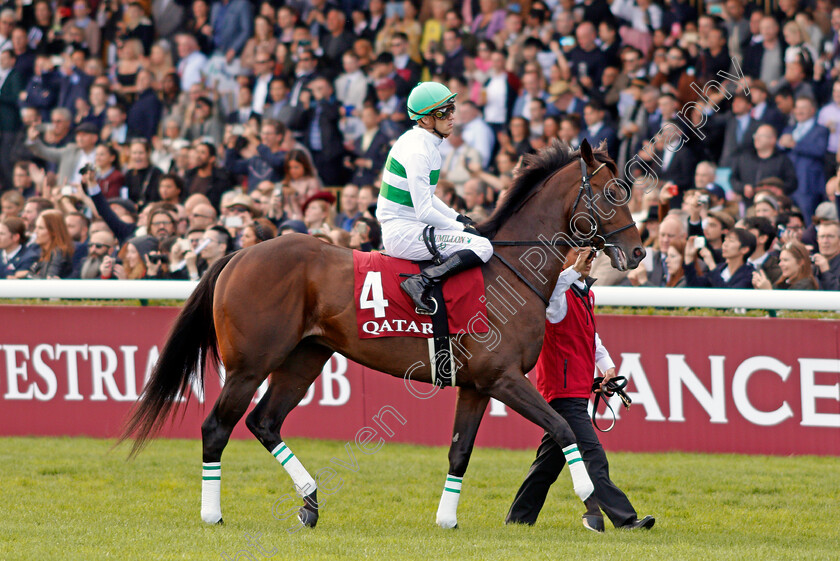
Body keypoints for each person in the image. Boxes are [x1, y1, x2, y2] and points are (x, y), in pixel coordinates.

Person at [505, 248, 655, 532]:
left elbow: (591, 336)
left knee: (548, 462)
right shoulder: (555, 295)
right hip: (562, 392)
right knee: (592, 454)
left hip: (574, 388)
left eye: (588, 255)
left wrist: (606, 365)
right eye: (579, 254)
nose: (586, 260)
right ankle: (624, 519)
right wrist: (573, 270)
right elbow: (553, 292)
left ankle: (519, 518)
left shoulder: (586, 292)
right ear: (564, 261)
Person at [376, 81, 493, 314]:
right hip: (403, 233)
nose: (451, 116)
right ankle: (422, 282)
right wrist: (461, 230)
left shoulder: (424, 142)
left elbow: (428, 198)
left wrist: (460, 218)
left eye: (452, 108)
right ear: (425, 120)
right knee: (483, 247)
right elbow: (424, 212)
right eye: (443, 112)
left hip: (409, 226)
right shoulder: (419, 151)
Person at [683, 228, 756, 288]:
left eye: (731, 241)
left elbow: (728, 297)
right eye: (725, 240)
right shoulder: (721, 269)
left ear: (744, 249)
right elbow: (694, 285)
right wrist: (688, 258)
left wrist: (711, 264)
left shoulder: (750, 274)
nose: (725, 244)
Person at [752, 240, 818, 290]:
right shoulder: (782, 282)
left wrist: (768, 291)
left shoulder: (806, 285)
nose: (780, 264)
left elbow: (788, 307)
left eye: (785, 260)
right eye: (780, 260)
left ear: (800, 262)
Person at [26, 209, 74, 279]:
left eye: (41, 228)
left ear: (54, 232)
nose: (35, 231)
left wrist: (27, 275)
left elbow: (49, 280)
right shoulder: (40, 250)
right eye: (36, 227)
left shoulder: (58, 252)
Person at [813, 220, 840, 290]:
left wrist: (826, 272)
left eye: (830, 236)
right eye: (822, 237)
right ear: (817, 240)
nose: (825, 241)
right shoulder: (813, 264)